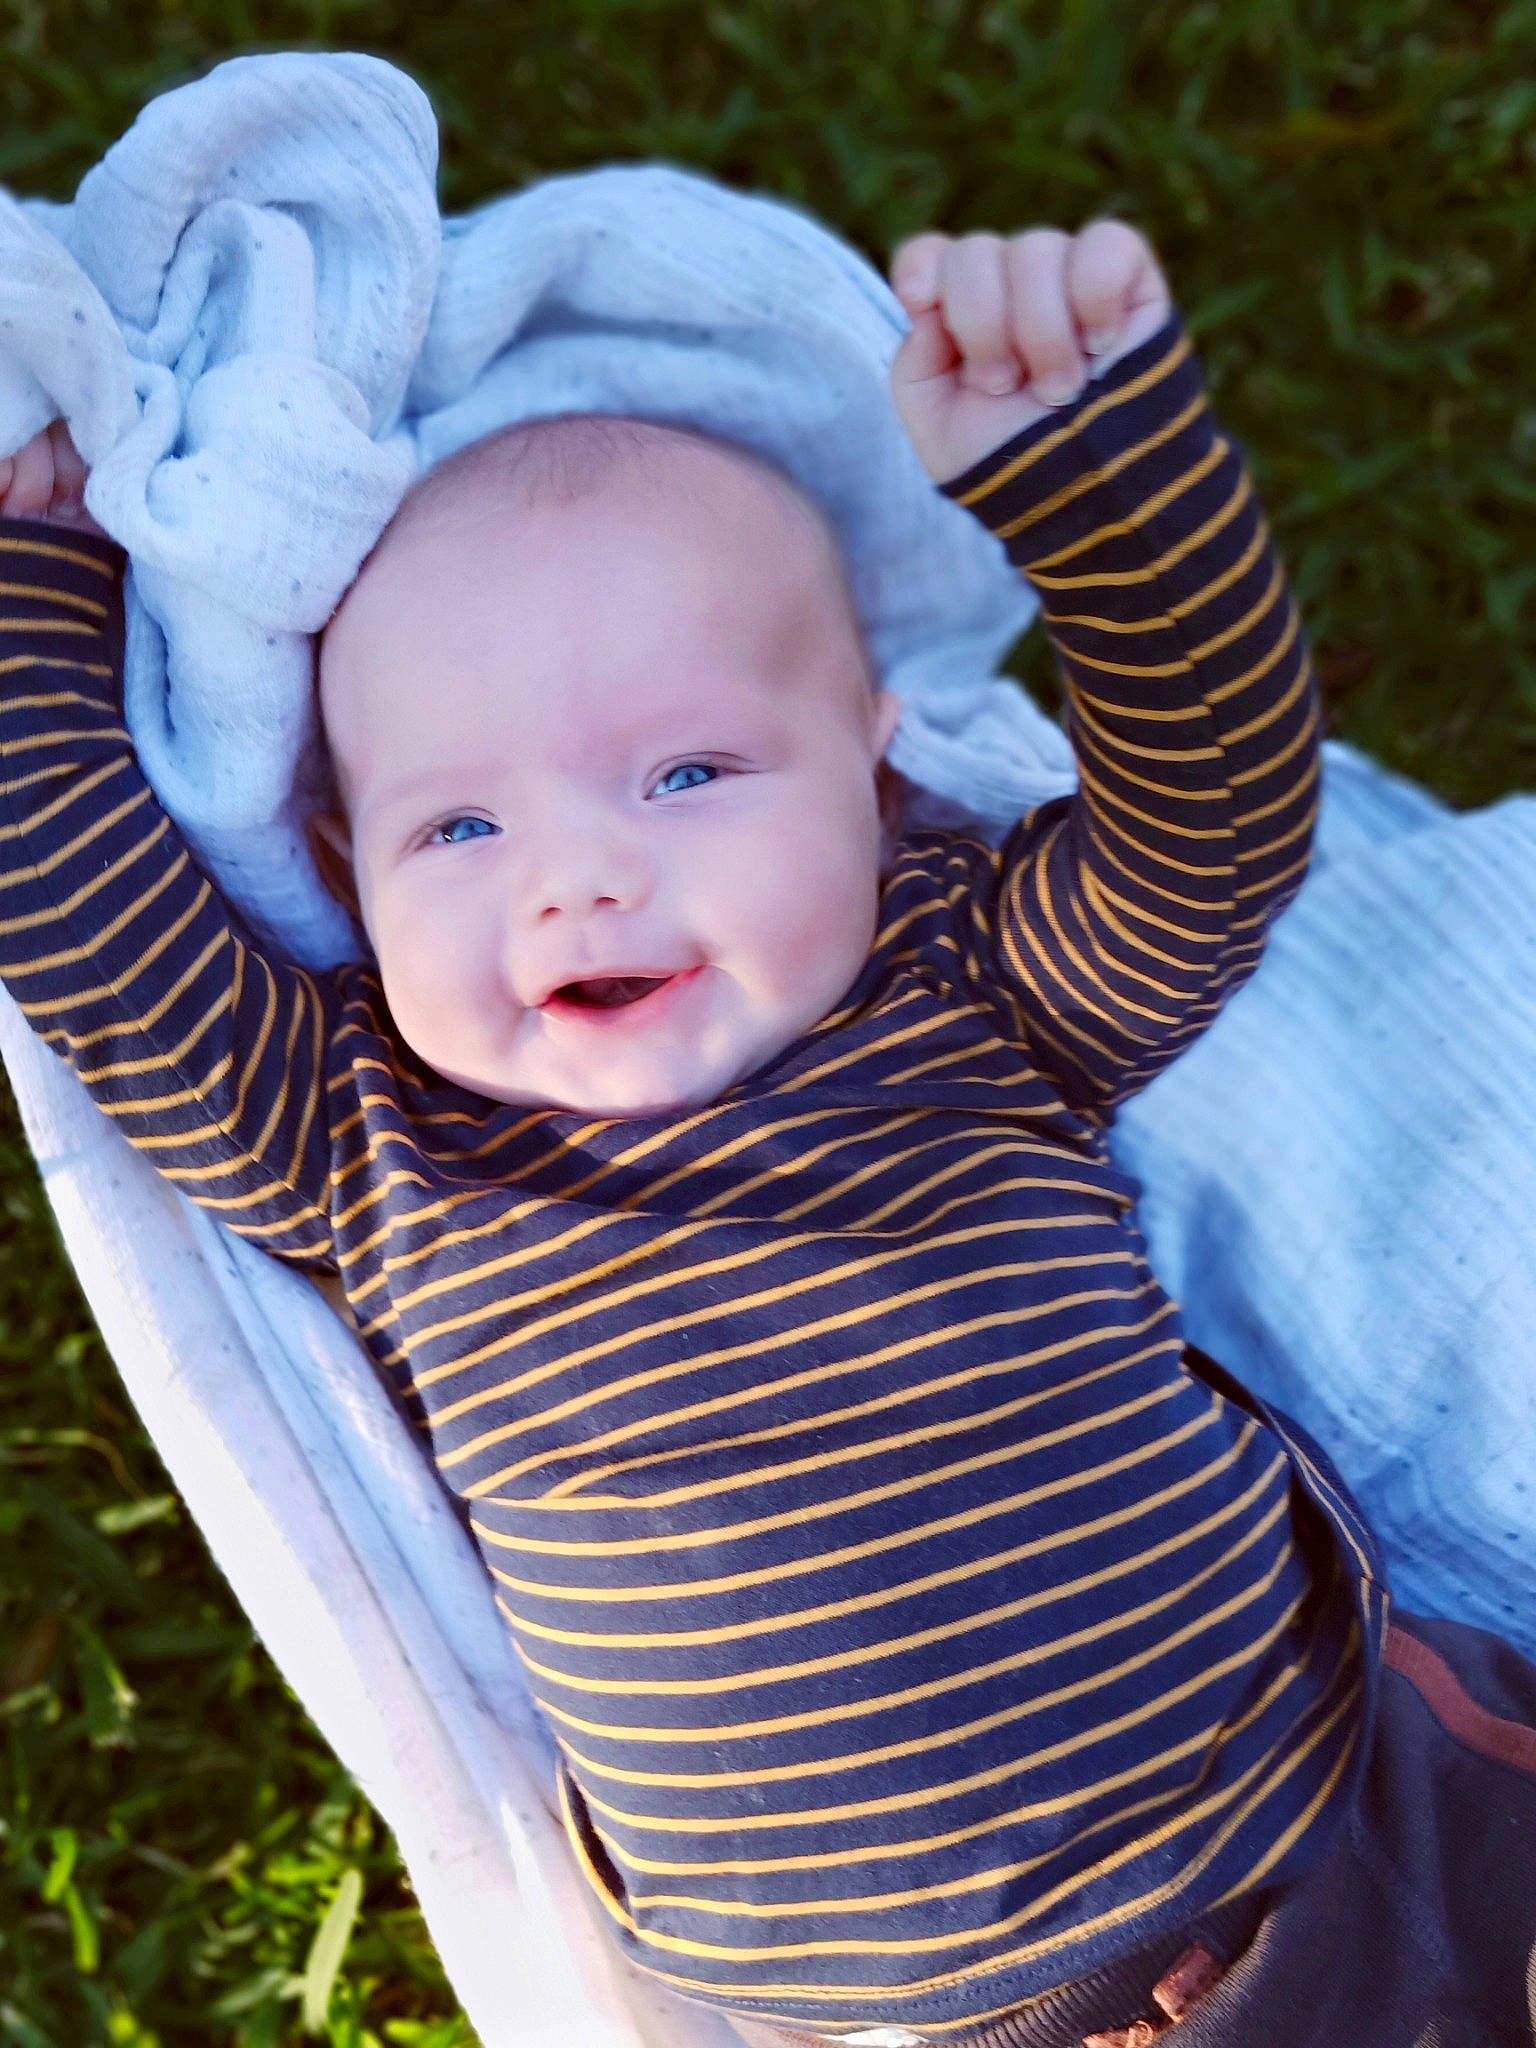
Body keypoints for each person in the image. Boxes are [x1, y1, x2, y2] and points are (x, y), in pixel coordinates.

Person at [2, 218, 1534, 2048]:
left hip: (1357, 1819)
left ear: (877, 780)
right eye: (457, 833)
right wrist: (30, 594)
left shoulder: (968, 992)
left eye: (688, 774)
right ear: (345, 873)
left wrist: (1093, 477)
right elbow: (85, 927)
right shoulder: (357, 1140)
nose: (579, 875)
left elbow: (1211, 822)